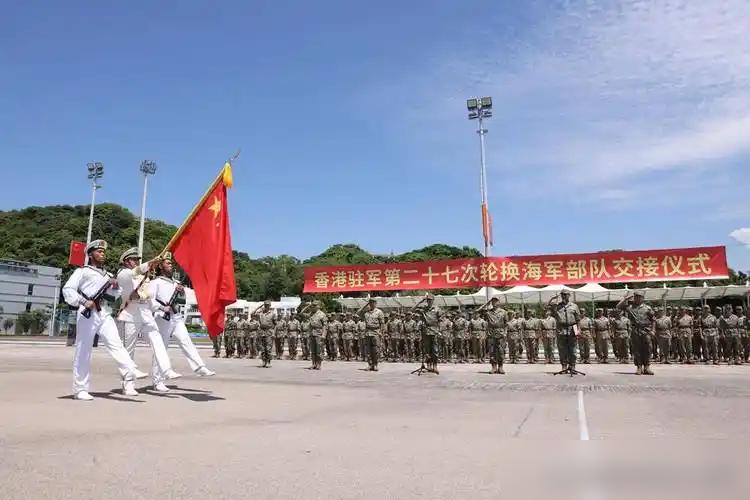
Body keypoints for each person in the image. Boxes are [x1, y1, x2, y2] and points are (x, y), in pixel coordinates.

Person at [62, 240, 147, 400]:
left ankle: (130, 368)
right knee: (84, 351)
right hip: (87, 312)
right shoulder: (83, 272)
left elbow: (113, 296)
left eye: (103, 252)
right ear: (91, 254)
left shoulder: (108, 275)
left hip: (104, 312)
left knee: (115, 342)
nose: (102, 254)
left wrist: (115, 287)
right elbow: (68, 289)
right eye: (99, 252)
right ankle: (80, 389)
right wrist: (82, 301)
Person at [116, 247, 179, 395]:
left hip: (145, 312)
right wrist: (151, 262)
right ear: (126, 261)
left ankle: (165, 371)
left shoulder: (145, 277)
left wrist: (161, 309)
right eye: (133, 260)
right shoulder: (124, 273)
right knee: (128, 349)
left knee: (158, 342)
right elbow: (134, 273)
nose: (136, 262)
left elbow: (149, 298)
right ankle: (128, 383)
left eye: (138, 259)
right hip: (130, 313)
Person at [149, 256, 214, 392]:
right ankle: (158, 381)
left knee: (186, 340)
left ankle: (199, 367)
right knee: (161, 349)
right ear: (161, 266)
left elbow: (182, 301)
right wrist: (161, 308)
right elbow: (150, 300)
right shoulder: (156, 282)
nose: (170, 265)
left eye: (171, 263)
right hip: (163, 318)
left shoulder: (176, 283)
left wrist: (180, 291)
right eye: (167, 263)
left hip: (176, 317)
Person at [616, 290, 655, 375]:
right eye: (636, 297)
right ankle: (639, 367)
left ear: (643, 298)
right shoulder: (630, 307)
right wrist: (625, 298)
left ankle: (647, 367)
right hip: (635, 330)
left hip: (646, 330)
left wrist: (653, 330)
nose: (637, 298)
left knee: (648, 349)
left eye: (639, 297)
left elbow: (653, 320)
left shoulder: (647, 308)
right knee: (637, 349)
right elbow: (618, 307)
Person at [548, 290, 581, 373]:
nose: (564, 296)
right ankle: (564, 366)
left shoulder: (574, 306)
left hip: (572, 328)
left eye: (565, 294)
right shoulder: (557, 306)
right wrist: (552, 298)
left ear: (569, 295)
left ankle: (572, 366)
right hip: (561, 329)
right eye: (562, 295)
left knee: (573, 350)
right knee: (562, 350)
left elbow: (578, 320)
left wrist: (578, 330)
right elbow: (547, 307)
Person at [478, 297, 507, 374]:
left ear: (499, 302)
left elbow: (506, 324)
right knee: (492, 351)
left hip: (500, 333)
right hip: (491, 333)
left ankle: (500, 367)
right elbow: (478, 311)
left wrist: (505, 333)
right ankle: (493, 367)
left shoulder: (503, 312)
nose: (494, 303)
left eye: (496, 301)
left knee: (501, 350)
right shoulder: (488, 312)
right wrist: (486, 304)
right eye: (493, 301)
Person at [415, 294, 442, 373]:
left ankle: (435, 366)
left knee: (435, 350)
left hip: (434, 331)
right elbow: (412, 309)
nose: (429, 301)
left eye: (430, 300)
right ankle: (429, 365)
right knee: (427, 350)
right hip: (426, 331)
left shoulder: (437, 309)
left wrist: (439, 330)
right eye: (428, 300)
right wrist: (420, 301)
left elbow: (440, 320)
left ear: (433, 301)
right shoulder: (424, 309)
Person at [357, 298, 385, 371]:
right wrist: (365, 305)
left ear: (375, 303)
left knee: (375, 350)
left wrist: (381, 333)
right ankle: (370, 365)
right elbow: (358, 313)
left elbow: (382, 323)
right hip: (367, 332)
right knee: (368, 350)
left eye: (373, 302)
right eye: (370, 303)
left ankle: (375, 365)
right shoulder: (366, 312)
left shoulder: (379, 312)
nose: (371, 304)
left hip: (376, 332)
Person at [306, 301, 327, 370]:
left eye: (315, 305)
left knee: (319, 350)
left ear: (319, 306)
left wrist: (324, 335)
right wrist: (308, 306)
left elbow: (325, 325)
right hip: (312, 333)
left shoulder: (322, 314)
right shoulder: (311, 313)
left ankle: (319, 364)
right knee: (313, 351)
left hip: (319, 333)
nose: (313, 306)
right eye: (313, 305)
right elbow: (301, 313)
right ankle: (313, 364)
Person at [257, 300, 276, 367]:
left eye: (267, 305)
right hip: (262, 331)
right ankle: (263, 361)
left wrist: (273, 333)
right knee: (262, 348)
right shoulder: (261, 313)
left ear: (270, 306)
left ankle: (268, 361)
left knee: (268, 348)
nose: (266, 306)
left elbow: (275, 324)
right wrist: (259, 307)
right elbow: (252, 313)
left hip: (269, 331)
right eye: (265, 305)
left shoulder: (272, 314)